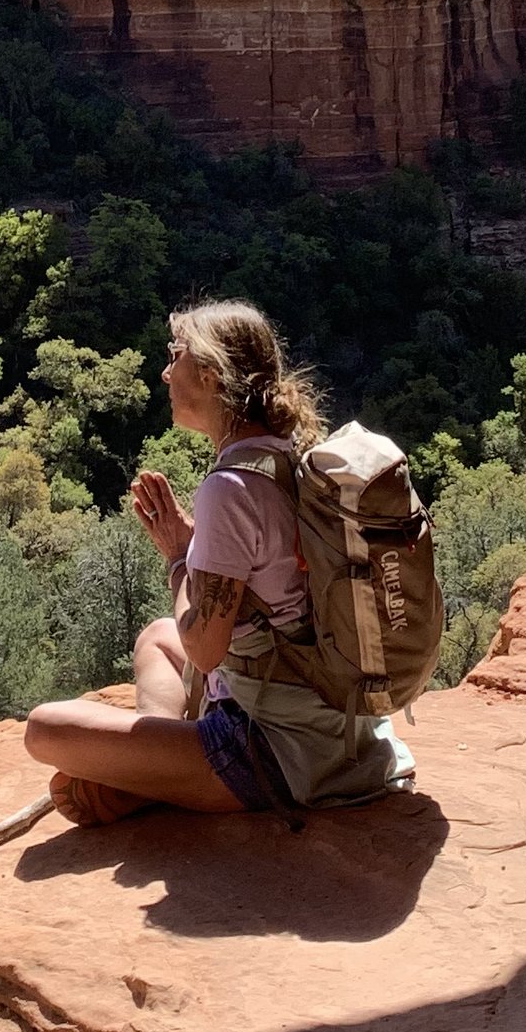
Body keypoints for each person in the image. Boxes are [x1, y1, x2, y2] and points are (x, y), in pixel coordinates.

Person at [21, 298, 416, 825]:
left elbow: (205, 650)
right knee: (156, 637)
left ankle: (156, 778)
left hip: (269, 749)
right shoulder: (291, 453)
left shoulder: (231, 487)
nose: (165, 372)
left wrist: (179, 558)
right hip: (334, 719)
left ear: (207, 375)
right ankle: (156, 773)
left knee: (43, 729)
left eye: (174, 357)